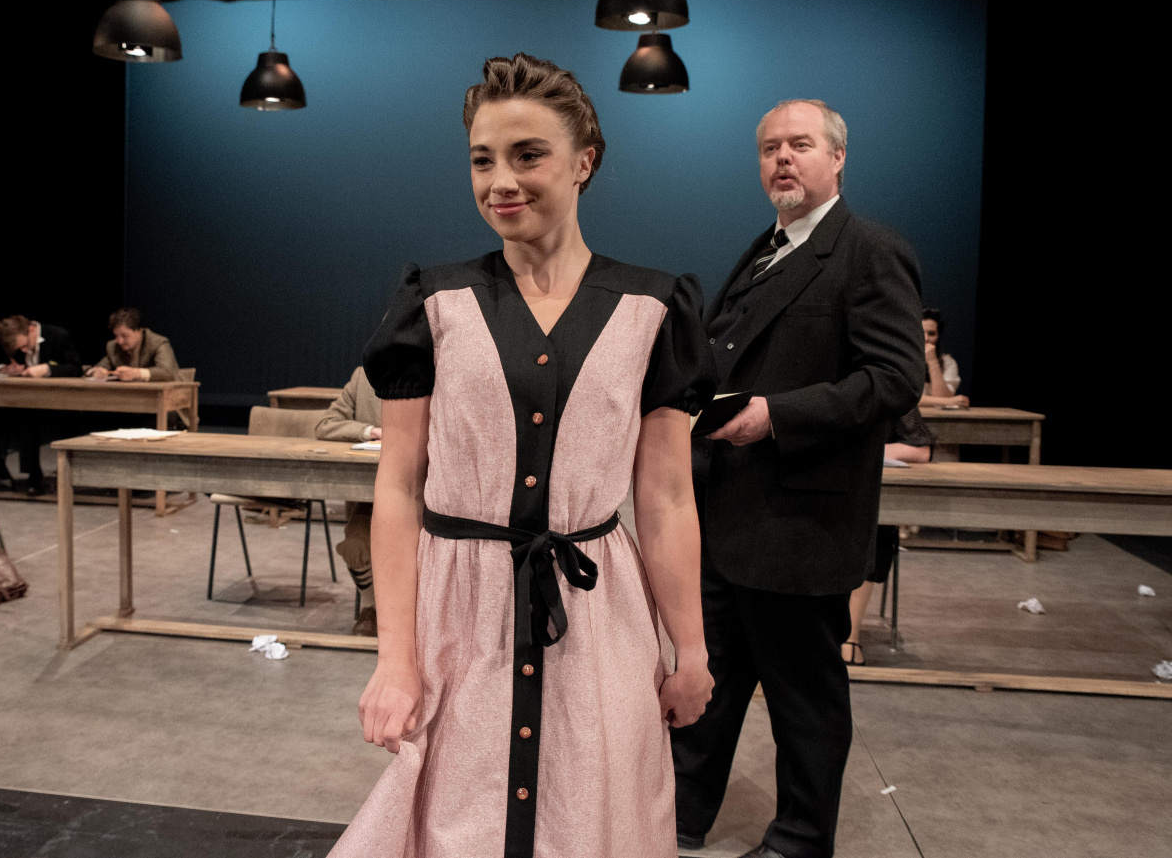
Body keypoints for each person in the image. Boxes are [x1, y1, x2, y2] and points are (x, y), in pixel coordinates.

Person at [332, 54, 716, 858]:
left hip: (598, 618)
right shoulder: (433, 302)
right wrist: (396, 658)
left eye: (527, 155)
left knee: (591, 816)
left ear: (584, 162)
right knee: (456, 820)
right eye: (482, 160)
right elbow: (397, 487)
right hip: (460, 617)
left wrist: (692, 649)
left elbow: (667, 495)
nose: (500, 181)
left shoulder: (653, 308)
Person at [673, 99, 926, 857]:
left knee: (803, 700)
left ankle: (800, 840)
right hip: (723, 514)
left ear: (838, 157)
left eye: (801, 144)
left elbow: (895, 378)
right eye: (770, 148)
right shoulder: (763, 250)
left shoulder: (870, 250)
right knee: (710, 682)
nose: (782, 158)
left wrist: (775, 416)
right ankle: (678, 816)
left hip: (800, 524)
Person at [841, 408, 935, 666]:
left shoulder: (888, 394)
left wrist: (868, 451)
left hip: (865, 493)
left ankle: (850, 636)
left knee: (875, 528)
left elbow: (921, 450)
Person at [314, 366, 383, 636]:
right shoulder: (364, 376)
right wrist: (371, 431)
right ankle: (370, 608)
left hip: (426, 495)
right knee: (355, 543)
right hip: (371, 494)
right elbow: (325, 425)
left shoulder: (438, 370)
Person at [0, 315, 83, 492]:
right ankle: (5, 475)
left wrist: (47, 369)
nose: (23, 351)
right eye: (19, 349)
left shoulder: (58, 336)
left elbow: (75, 368)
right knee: (0, 418)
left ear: (31, 330)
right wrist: (3, 369)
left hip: (57, 402)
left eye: (25, 346)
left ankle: (40, 479)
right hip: (23, 403)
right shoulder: (11, 338)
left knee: (37, 421)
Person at [86, 308, 178, 382]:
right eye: (116, 336)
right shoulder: (114, 347)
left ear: (139, 330)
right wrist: (96, 372)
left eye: (124, 336)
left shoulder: (158, 343)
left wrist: (137, 373)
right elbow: (96, 368)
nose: (119, 341)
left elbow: (167, 372)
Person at [918, 307, 968, 409]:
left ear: (938, 336)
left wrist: (932, 361)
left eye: (931, 333)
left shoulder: (948, 362)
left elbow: (941, 398)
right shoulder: (903, 360)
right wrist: (948, 401)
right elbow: (904, 399)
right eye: (921, 333)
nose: (926, 339)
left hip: (936, 418)